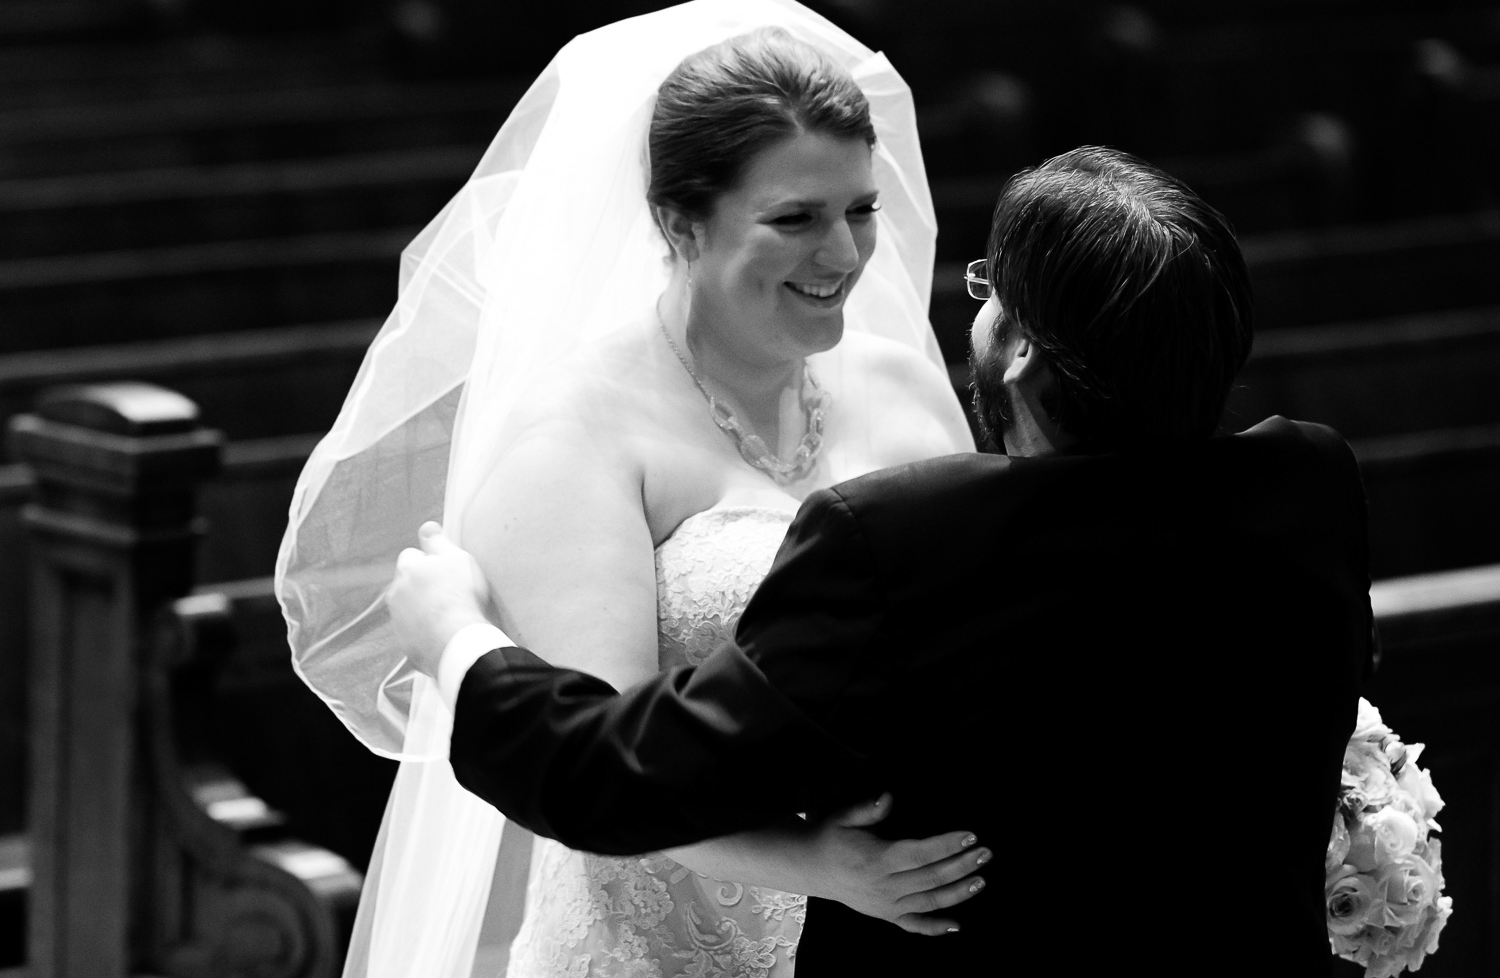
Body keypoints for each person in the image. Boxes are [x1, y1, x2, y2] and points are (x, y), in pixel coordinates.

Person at [389, 146, 1374, 976]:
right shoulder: (1310, 489)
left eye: (990, 294)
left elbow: (625, 778)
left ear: (1020, 350)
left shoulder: (902, 542)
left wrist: (460, 641)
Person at [277, 0, 988, 976]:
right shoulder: (575, 436)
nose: (843, 253)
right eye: (793, 218)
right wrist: (824, 866)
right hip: (666, 946)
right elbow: (599, 762)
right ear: (680, 222)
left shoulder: (903, 385)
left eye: (860, 208)